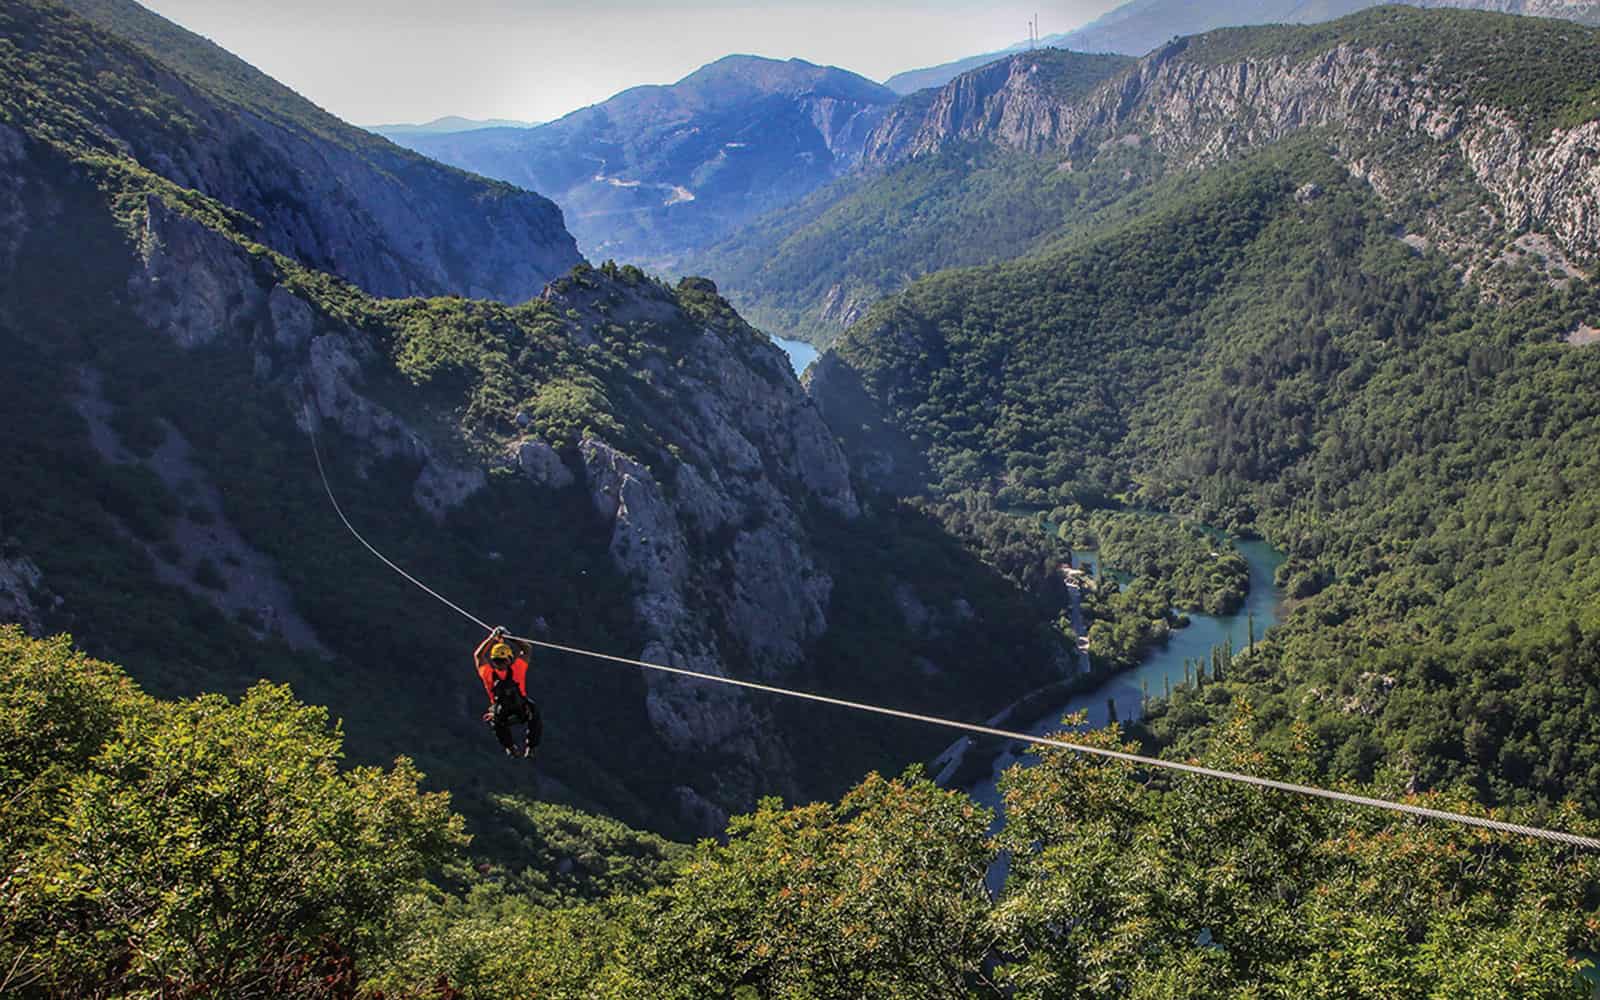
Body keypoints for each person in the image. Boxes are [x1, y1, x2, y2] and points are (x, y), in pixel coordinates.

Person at [474, 627, 541, 758]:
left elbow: (478, 655)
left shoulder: (488, 673)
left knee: (495, 720)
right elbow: (527, 649)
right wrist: (510, 637)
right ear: (509, 658)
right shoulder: (517, 669)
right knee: (534, 713)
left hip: (501, 714)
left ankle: (510, 747)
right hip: (521, 710)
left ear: (493, 660)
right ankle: (531, 747)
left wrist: (491, 638)